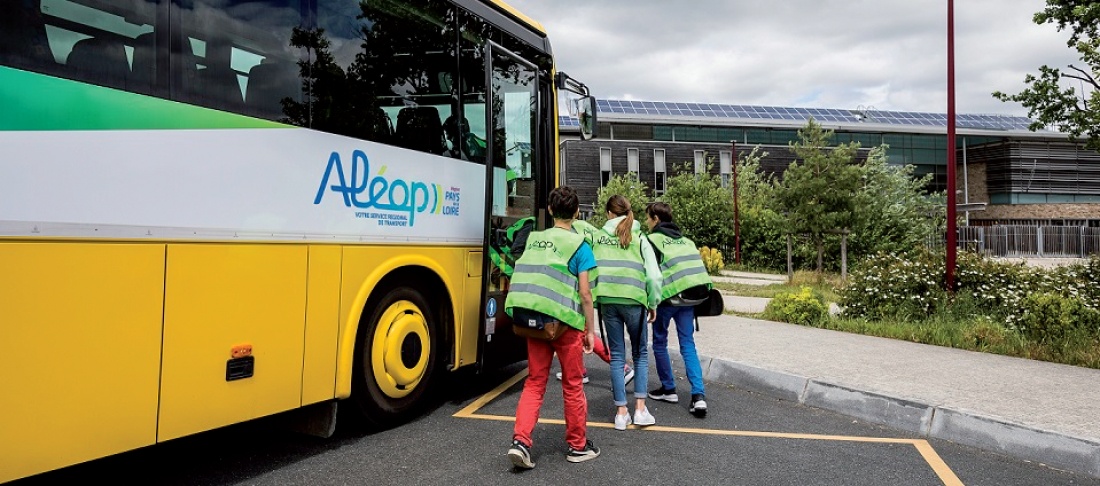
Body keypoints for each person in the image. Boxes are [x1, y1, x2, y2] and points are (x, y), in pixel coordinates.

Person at [505, 186, 600, 469]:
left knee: (535, 382)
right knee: (572, 385)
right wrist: (590, 330)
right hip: (565, 325)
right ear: (577, 212)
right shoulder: (580, 246)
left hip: (533, 320)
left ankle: (521, 442)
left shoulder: (535, 240)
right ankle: (577, 446)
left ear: (549, 210)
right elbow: (585, 294)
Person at [589, 195, 662, 430]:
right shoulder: (639, 238)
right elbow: (653, 276)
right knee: (640, 353)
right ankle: (640, 410)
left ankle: (621, 413)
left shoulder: (598, 237)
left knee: (617, 355)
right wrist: (653, 302)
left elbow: (590, 270)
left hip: (608, 301)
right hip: (634, 300)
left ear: (609, 214)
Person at [644, 202, 714, 418]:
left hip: (667, 299)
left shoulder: (652, 240)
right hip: (690, 298)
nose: (646, 222)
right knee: (688, 345)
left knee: (659, 342)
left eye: (648, 218)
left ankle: (669, 389)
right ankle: (698, 396)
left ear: (656, 219)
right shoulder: (686, 240)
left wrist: (649, 301)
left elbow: (651, 273)